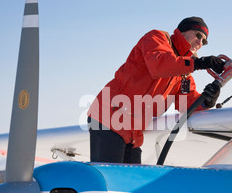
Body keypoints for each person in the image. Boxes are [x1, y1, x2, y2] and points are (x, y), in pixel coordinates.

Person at [87, 16, 224, 164]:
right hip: (109, 117)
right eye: (198, 36)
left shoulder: (184, 69)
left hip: (134, 131)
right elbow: (159, 64)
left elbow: (185, 102)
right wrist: (199, 63)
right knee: (109, 179)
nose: (200, 43)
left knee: (132, 183)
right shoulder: (157, 38)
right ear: (183, 31)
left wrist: (207, 100)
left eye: (204, 41)